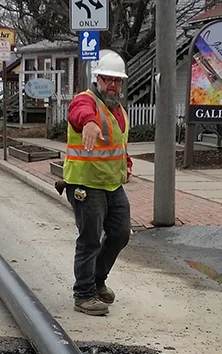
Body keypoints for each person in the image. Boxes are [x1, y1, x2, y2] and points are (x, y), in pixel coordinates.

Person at [62, 50, 133, 316]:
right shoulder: (85, 101)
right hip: (86, 184)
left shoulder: (119, 110)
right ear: (97, 79)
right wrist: (89, 123)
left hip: (113, 185)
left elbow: (118, 144)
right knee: (90, 239)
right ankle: (83, 294)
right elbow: (79, 113)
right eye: (108, 79)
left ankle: (96, 279)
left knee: (120, 233)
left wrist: (126, 164)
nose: (113, 85)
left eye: (117, 81)